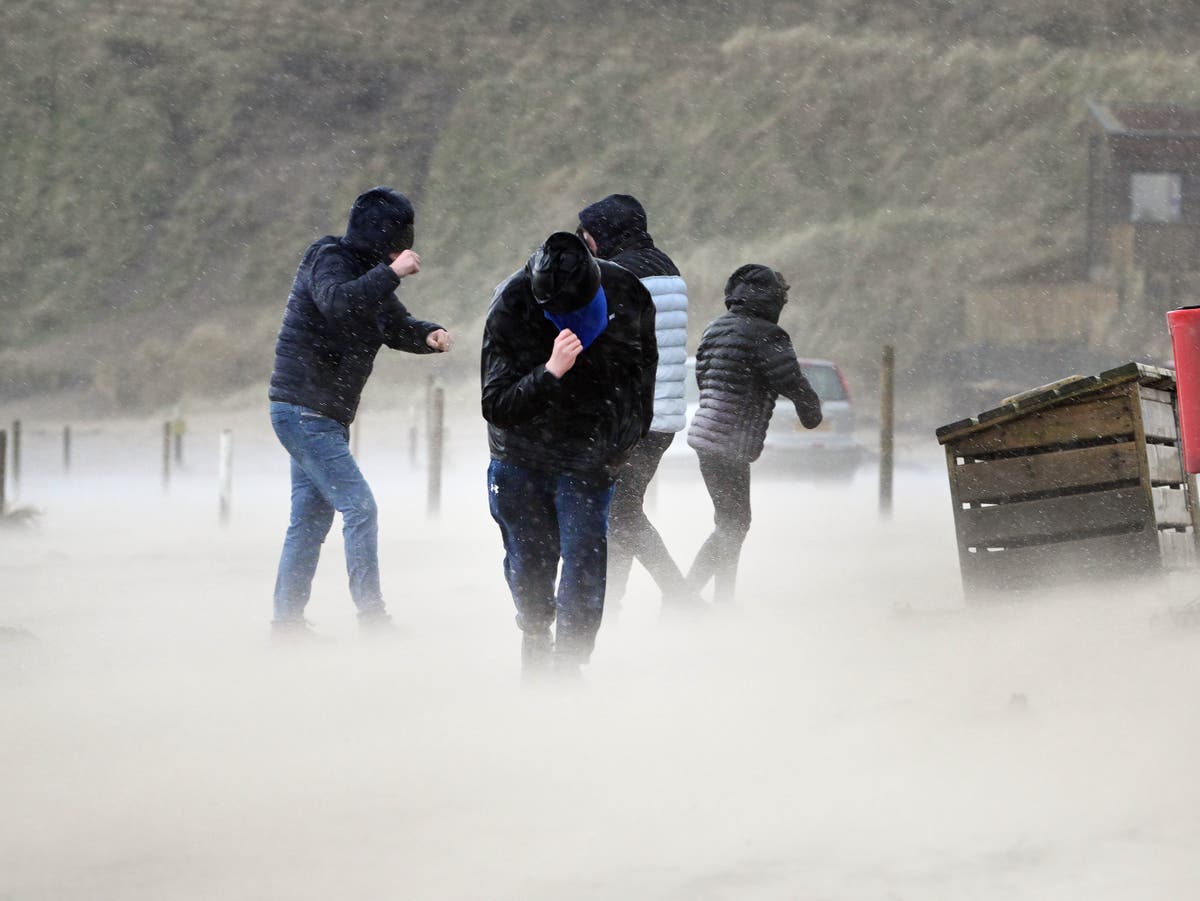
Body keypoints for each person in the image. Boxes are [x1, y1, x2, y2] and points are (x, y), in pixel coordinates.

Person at [268, 186, 452, 636]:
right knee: (360, 508)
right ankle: (372, 619)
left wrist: (428, 335)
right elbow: (335, 302)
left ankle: (286, 626)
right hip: (302, 409)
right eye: (396, 242)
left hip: (323, 414)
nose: (402, 250)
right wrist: (391, 273)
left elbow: (393, 326)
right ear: (377, 236)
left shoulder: (372, 272)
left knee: (310, 522)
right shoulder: (327, 256)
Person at [481, 231, 657, 678]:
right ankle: (536, 638)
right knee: (530, 564)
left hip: (588, 455)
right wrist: (549, 373)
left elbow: (642, 383)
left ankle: (568, 667)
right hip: (520, 455)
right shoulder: (511, 305)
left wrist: (619, 449)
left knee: (584, 560)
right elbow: (497, 406)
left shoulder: (626, 292)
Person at [576, 194, 695, 612]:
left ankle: (680, 595)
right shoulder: (668, 269)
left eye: (589, 235)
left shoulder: (616, 274)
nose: (586, 242)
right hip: (663, 416)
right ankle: (613, 604)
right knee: (626, 508)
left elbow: (602, 344)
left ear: (606, 232)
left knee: (620, 513)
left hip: (629, 415)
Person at [686, 265, 822, 604]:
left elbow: (704, 378)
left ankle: (721, 601)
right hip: (730, 439)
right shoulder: (767, 334)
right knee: (734, 523)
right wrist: (811, 412)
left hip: (706, 435)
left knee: (728, 522)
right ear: (773, 300)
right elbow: (791, 381)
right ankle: (683, 597)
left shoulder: (715, 328)